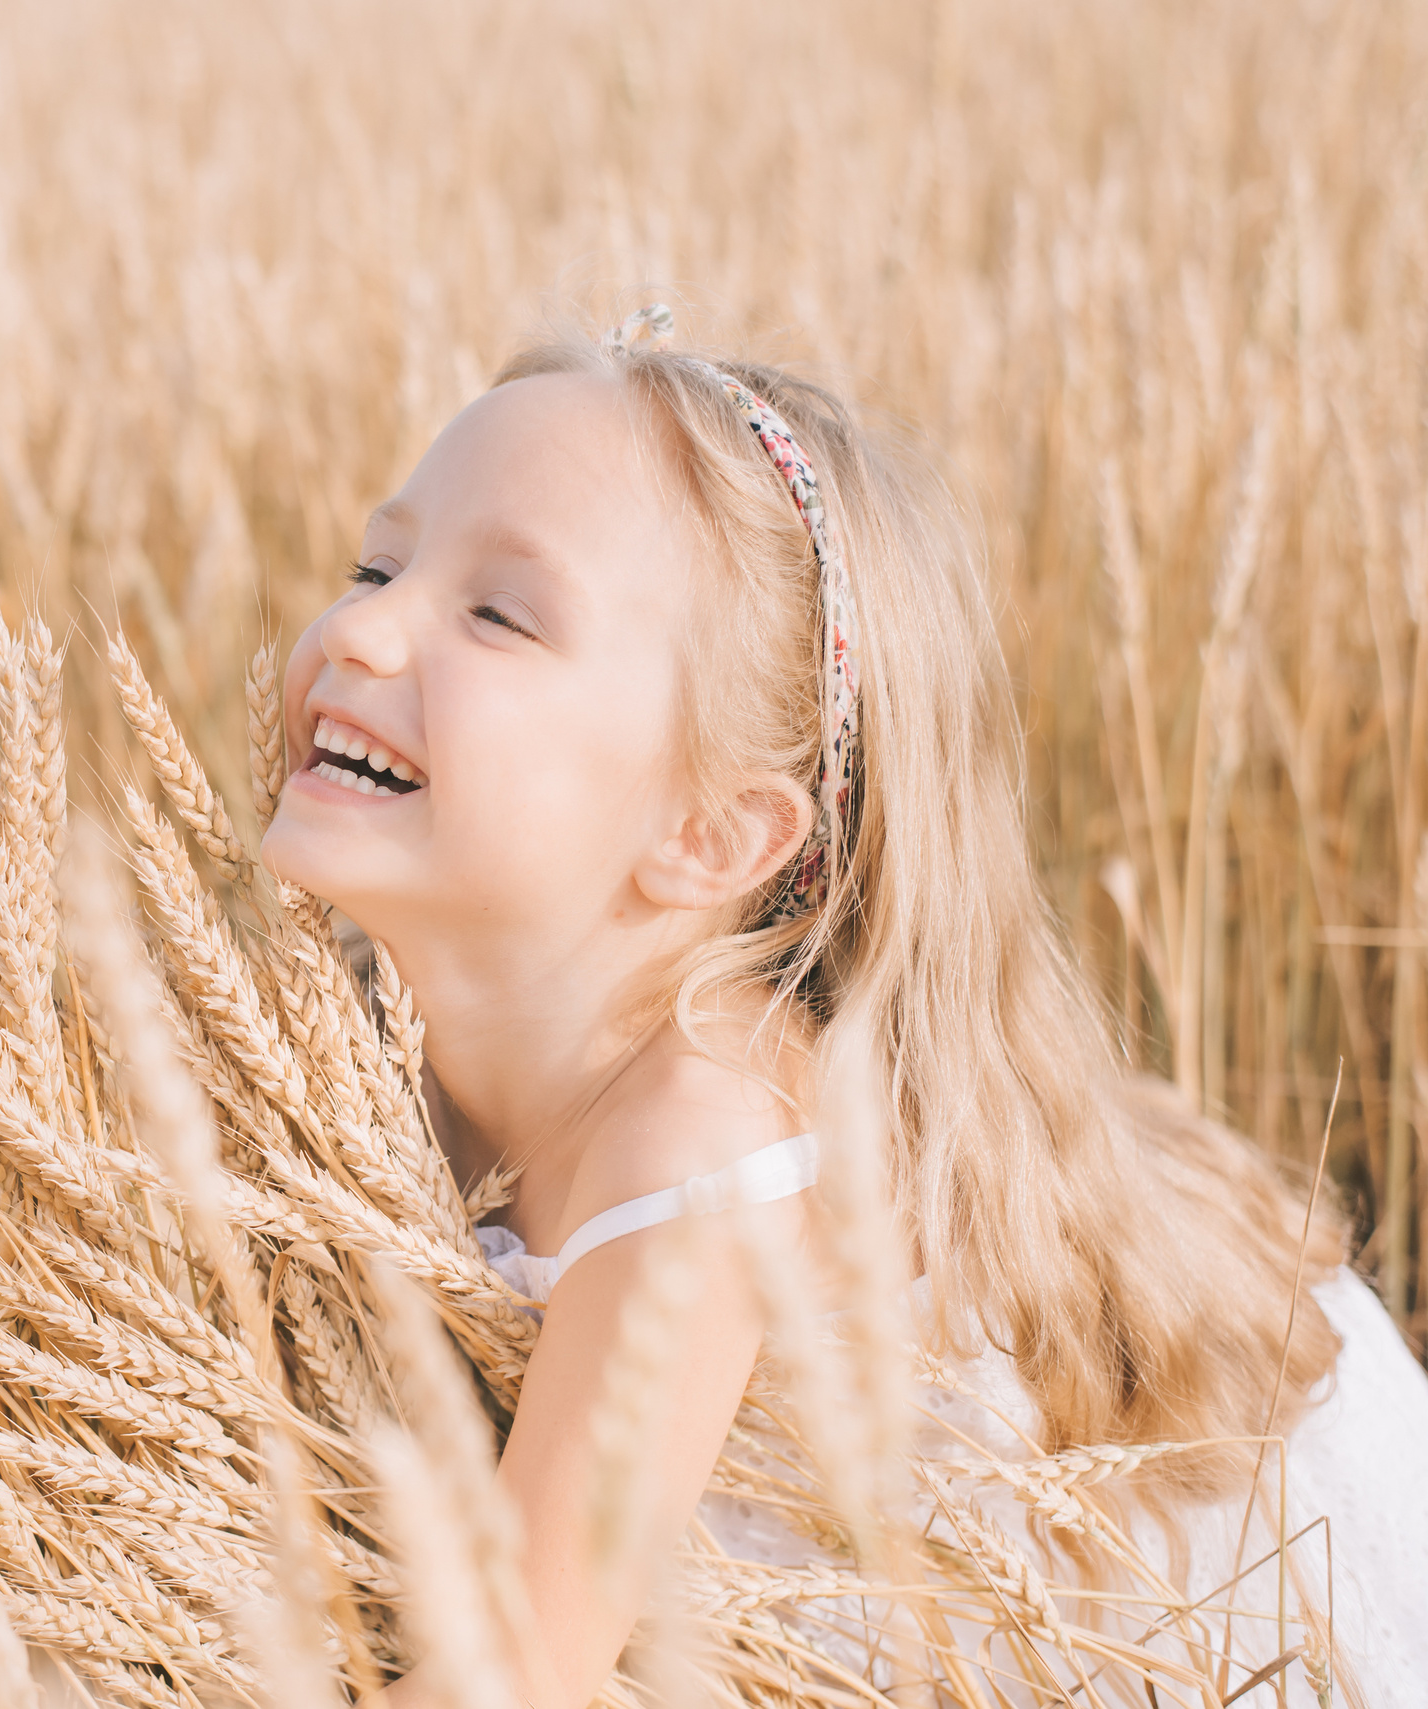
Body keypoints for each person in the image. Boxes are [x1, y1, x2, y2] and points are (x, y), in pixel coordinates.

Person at [256, 307, 1428, 1707]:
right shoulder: (367, 1021)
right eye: (376, 561)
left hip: (1191, 1582)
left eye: (496, 612)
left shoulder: (702, 1129)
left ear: (709, 836)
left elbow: (504, 1677)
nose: (361, 624)